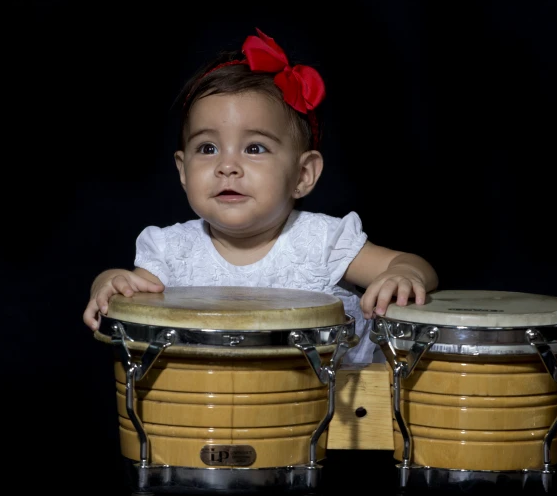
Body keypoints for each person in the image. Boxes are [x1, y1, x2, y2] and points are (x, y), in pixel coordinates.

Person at [82, 28, 438, 363]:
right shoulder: (171, 251)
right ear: (182, 171)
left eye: (254, 148)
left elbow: (407, 263)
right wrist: (109, 281)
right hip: (208, 410)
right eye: (207, 148)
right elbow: (132, 293)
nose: (227, 166)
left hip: (332, 412)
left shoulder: (323, 243)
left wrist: (404, 274)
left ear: (303, 174)